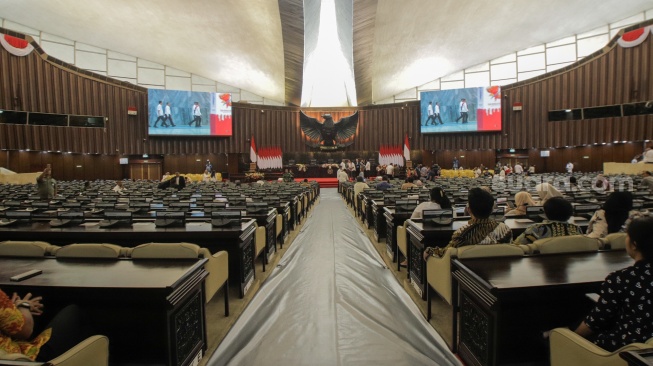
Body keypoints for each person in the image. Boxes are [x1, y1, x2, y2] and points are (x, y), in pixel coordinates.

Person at [573, 216, 653, 351]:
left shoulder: (621, 279)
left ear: (634, 244)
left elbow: (595, 322)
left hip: (628, 352)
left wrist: (571, 338)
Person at [0, 289, 91, 361]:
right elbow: (26, 331)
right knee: (74, 311)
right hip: (23, 359)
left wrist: (12, 309)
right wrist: (24, 305)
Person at [423, 188, 512, 260]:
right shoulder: (505, 230)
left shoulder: (462, 233)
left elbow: (446, 253)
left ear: (469, 210)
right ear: (492, 209)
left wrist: (429, 251)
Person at [513, 196, 583, 244]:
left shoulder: (537, 228)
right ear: (570, 213)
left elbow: (517, 245)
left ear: (546, 212)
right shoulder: (576, 228)